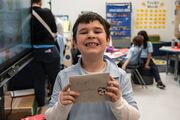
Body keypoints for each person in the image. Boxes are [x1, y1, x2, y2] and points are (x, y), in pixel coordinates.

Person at [45, 12, 140, 120]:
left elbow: (135, 117)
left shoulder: (120, 76)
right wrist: (61, 106)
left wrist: (118, 102)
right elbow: (50, 117)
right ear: (75, 42)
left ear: (108, 39)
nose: (91, 35)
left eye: (97, 31)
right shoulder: (63, 76)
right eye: (84, 32)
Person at [31, 0, 60, 106]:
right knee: (56, 81)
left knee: (38, 81)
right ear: (41, 1)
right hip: (51, 51)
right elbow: (54, 29)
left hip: (35, 52)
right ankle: (55, 106)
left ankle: (40, 107)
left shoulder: (26, 14)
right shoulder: (47, 12)